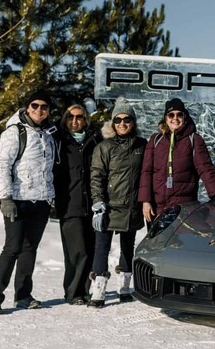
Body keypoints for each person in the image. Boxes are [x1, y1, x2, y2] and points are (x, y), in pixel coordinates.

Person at [0, 90, 57, 315]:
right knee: (12, 248)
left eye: (44, 107)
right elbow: (2, 166)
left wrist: (50, 196)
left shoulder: (48, 135)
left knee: (29, 249)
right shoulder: (14, 132)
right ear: (27, 108)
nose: (39, 110)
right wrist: (5, 198)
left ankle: (23, 296)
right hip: (17, 200)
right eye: (35, 105)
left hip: (41, 201)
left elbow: (48, 169)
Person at [87, 97, 147, 308]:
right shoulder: (104, 147)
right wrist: (98, 203)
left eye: (127, 119)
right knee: (101, 248)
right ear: (112, 123)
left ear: (133, 122)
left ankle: (124, 288)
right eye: (118, 119)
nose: (122, 123)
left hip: (132, 206)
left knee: (128, 247)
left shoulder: (142, 145)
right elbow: (96, 176)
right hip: (109, 207)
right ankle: (99, 291)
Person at [138, 98, 215, 224]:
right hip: (157, 209)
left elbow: (205, 169)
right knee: (157, 238)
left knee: (182, 237)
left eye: (179, 114)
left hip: (183, 210)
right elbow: (146, 171)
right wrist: (145, 201)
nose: (175, 118)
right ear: (166, 118)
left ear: (184, 117)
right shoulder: (156, 140)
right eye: (171, 115)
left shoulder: (194, 140)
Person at [53, 104, 100, 305]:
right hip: (70, 203)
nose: (75, 121)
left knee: (90, 249)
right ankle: (73, 293)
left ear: (85, 119)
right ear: (65, 119)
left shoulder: (94, 140)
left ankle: (85, 291)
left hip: (92, 203)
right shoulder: (59, 141)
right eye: (71, 117)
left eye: (79, 117)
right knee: (75, 251)